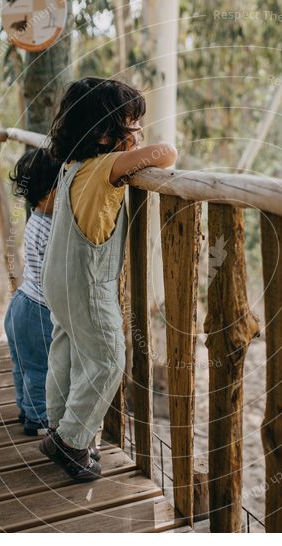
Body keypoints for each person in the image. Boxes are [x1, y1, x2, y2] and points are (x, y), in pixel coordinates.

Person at [39, 77, 177, 482]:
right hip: (87, 282)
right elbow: (166, 154)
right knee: (108, 359)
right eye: (131, 125)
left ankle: (57, 423)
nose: (137, 134)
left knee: (65, 349)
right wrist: (144, 148)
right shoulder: (104, 168)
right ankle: (70, 441)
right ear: (103, 133)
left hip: (58, 279)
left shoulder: (71, 166)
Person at [4, 147, 60, 437]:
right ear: (47, 193)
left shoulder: (35, 219)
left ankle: (24, 407)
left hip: (20, 303)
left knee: (22, 364)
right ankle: (37, 420)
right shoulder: (52, 227)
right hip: (38, 310)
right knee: (40, 369)